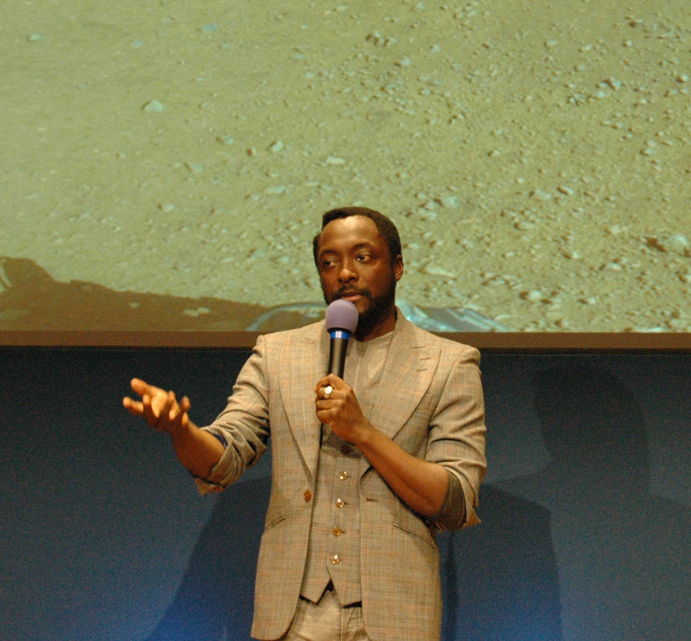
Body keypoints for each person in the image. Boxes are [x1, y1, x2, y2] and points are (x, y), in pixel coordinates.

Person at [124, 206, 487, 641]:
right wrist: (181, 431)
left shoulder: (449, 364)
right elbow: (224, 459)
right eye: (329, 263)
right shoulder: (278, 354)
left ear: (398, 266)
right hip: (292, 616)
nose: (344, 274)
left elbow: (455, 499)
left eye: (363, 258)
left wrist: (364, 434)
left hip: (394, 615)